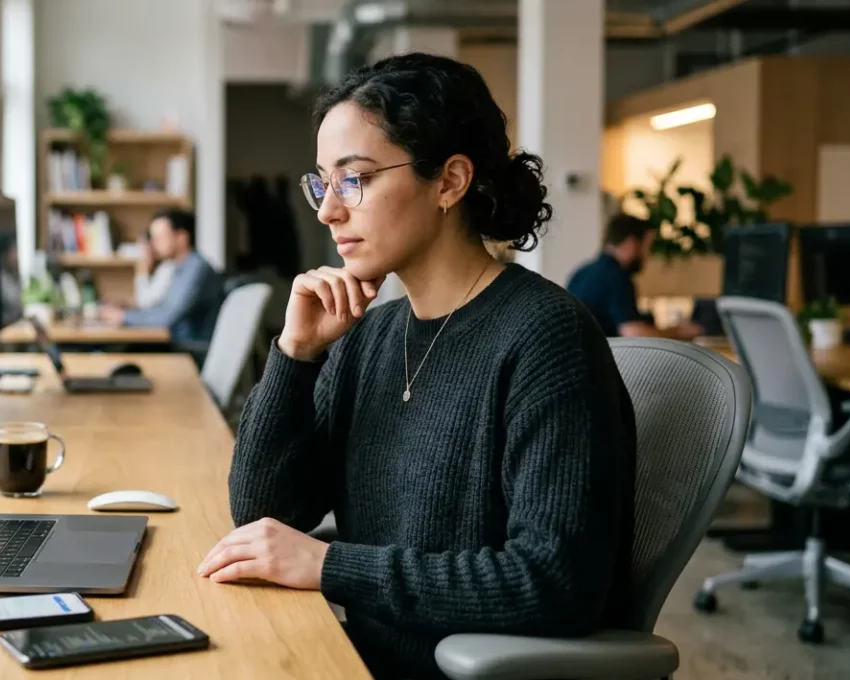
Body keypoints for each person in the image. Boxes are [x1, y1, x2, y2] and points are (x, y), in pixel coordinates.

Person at [195, 53, 636, 679]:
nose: (327, 212)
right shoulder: (367, 335)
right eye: (322, 183)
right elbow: (265, 513)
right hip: (355, 658)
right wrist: (297, 355)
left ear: (450, 182)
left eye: (355, 180)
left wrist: (328, 566)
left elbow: (554, 581)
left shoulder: (547, 338)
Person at [567, 213, 704, 339]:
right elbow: (634, 333)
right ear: (632, 243)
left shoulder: (581, 273)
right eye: (648, 247)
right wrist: (678, 331)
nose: (648, 256)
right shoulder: (616, 277)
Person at [100, 209, 222, 343]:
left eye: (160, 238)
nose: (152, 244)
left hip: (188, 349)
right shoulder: (179, 267)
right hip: (176, 343)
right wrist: (126, 310)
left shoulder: (195, 268)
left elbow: (166, 316)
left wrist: (122, 316)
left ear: (182, 238)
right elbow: (161, 308)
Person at [132, 233, 176, 310]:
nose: (141, 254)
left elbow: (145, 303)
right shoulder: (159, 268)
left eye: (143, 248)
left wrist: (142, 272)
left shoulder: (168, 267)